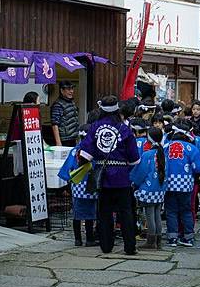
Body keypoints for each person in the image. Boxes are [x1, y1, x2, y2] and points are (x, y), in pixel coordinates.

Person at [78, 96, 140, 255]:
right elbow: (135, 159)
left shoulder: (94, 127)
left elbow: (84, 154)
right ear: (117, 109)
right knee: (126, 212)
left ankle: (106, 246)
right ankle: (129, 247)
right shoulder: (124, 129)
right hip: (122, 178)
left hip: (102, 177)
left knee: (104, 213)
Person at [164, 122, 200, 247]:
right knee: (186, 210)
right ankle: (188, 237)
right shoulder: (191, 148)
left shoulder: (166, 146)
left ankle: (172, 237)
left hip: (168, 183)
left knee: (170, 210)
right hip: (186, 184)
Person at [58, 124, 98, 247]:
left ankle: (77, 239)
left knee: (77, 213)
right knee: (90, 214)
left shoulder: (74, 150)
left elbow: (66, 171)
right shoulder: (94, 151)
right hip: (91, 186)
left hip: (77, 186)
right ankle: (90, 239)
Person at [130, 127, 168, 250]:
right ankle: (158, 240)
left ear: (149, 139)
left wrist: (133, 181)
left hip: (148, 189)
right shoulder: (162, 153)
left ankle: (151, 241)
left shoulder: (147, 154)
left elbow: (139, 173)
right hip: (160, 189)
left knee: (149, 214)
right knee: (157, 213)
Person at [50, 80, 79, 147]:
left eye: (72, 88)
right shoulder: (58, 105)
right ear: (62, 91)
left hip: (73, 138)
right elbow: (54, 124)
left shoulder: (72, 102)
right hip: (64, 140)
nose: (71, 91)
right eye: (68, 89)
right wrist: (58, 142)